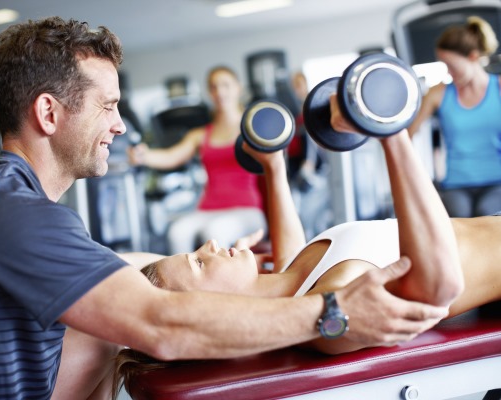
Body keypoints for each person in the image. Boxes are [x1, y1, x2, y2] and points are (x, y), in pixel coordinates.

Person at [0, 17, 450, 400]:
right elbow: (159, 324)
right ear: (48, 112)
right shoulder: (12, 208)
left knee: (111, 315)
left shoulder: (6, 197)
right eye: (109, 106)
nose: (119, 124)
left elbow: (134, 273)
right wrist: (333, 311)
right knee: (118, 325)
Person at [114, 93, 501, 393]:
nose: (211, 244)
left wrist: (273, 166)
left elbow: (291, 255)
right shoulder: (331, 315)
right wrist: (392, 134)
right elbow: (439, 287)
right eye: (199, 263)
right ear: (210, 308)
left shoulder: (296, 281)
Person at [128, 66, 267, 254]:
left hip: (248, 210)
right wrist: (143, 155)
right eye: (214, 87)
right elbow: (172, 156)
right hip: (208, 209)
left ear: (238, 88)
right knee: (177, 233)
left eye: (226, 85)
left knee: (214, 232)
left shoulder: (253, 129)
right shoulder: (201, 134)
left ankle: (221, 283)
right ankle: (185, 284)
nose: (220, 92)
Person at [408, 16, 501, 217]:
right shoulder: (439, 93)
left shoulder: (498, 88)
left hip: (497, 182)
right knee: (456, 221)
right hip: (456, 185)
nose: (449, 72)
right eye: (444, 65)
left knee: (487, 215)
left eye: (452, 65)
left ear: (473, 57)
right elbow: (408, 134)